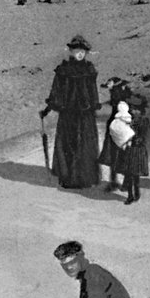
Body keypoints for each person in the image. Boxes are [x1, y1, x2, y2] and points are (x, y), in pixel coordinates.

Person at [41, 35, 101, 190]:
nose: (80, 54)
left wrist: (93, 106)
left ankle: (84, 178)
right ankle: (68, 178)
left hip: (85, 114)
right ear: (71, 52)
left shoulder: (89, 69)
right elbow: (56, 91)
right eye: (77, 51)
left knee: (85, 144)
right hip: (68, 113)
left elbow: (93, 92)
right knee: (68, 144)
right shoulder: (63, 70)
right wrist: (48, 109)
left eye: (83, 51)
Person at [96, 77, 130, 193]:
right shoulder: (121, 92)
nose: (108, 87)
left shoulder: (117, 94)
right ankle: (122, 182)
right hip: (121, 127)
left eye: (110, 84)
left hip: (116, 128)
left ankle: (116, 182)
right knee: (121, 155)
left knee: (116, 155)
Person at [116, 91, 150, 204]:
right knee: (129, 174)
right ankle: (130, 195)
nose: (133, 111)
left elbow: (143, 136)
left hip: (138, 150)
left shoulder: (144, 121)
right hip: (129, 150)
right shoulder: (128, 120)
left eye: (136, 109)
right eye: (132, 109)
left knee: (135, 175)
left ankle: (137, 193)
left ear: (141, 110)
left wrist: (134, 138)